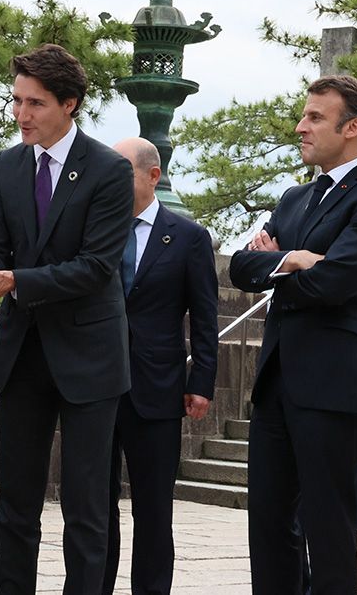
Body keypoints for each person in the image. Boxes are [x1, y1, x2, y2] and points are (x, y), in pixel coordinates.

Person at [229, 75, 357, 594]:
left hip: (332, 388)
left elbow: (336, 281)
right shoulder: (293, 197)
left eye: (313, 117)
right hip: (276, 383)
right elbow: (241, 269)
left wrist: (276, 262)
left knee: (329, 529)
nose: (299, 127)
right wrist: (292, 259)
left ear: (352, 128)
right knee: (266, 524)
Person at [0, 43, 134, 594]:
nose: (21, 114)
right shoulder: (7, 165)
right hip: (23, 354)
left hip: (90, 357)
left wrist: (17, 281)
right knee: (15, 503)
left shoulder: (110, 171)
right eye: (16, 100)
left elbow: (95, 267)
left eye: (35, 103)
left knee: (87, 506)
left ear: (69, 105)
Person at [100, 137, 218, 595]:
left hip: (158, 390)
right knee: (95, 507)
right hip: (97, 387)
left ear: (153, 176)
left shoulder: (188, 237)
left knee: (152, 510)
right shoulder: (98, 229)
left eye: (121, 171)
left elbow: (205, 318)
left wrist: (202, 381)